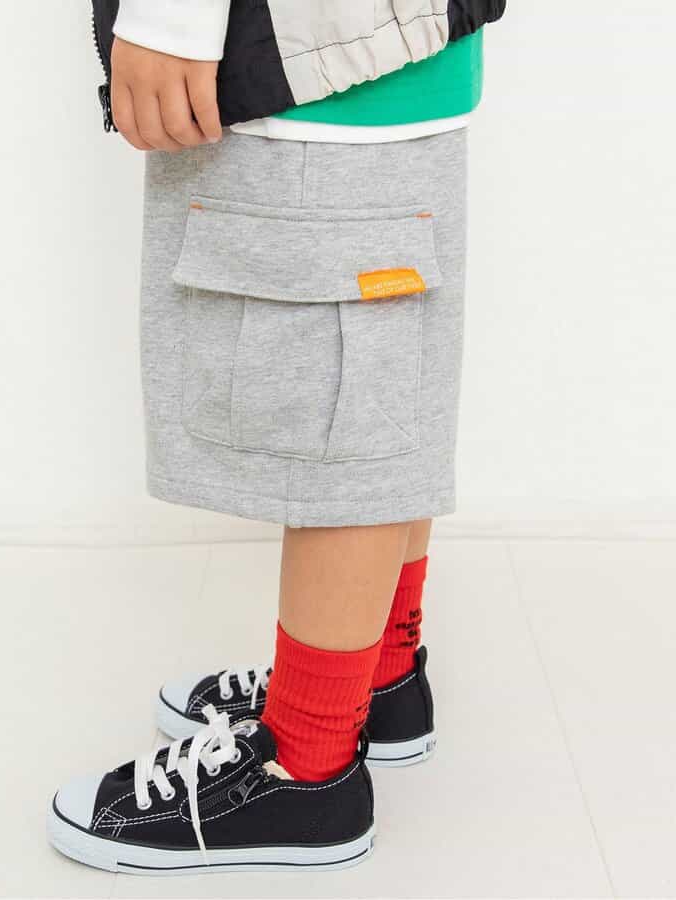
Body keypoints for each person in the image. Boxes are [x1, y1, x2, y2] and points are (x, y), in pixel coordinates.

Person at [48, 0, 505, 874]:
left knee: (340, 425)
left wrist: (172, 19)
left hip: (316, 67)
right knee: (379, 385)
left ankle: (306, 761)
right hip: (374, 50)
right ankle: (378, 679)